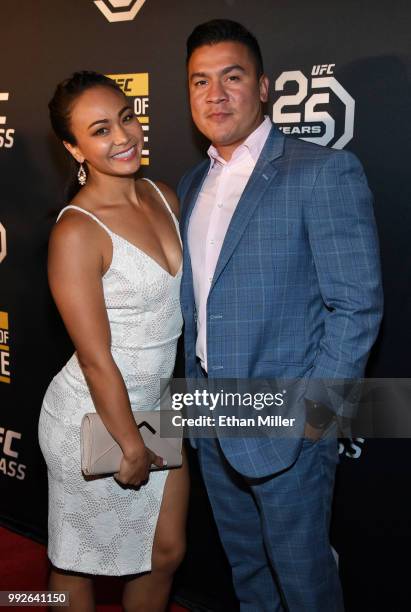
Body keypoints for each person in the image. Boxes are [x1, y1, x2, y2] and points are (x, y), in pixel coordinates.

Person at [178, 19, 383, 612]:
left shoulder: (321, 171)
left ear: (264, 87)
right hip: (210, 419)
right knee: (247, 573)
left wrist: (314, 417)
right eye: (199, 82)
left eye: (232, 77)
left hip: (288, 423)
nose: (215, 94)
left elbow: (357, 306)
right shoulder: (193, 183)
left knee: (304, 581)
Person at [38, 71, 188, 612]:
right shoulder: (76, 231)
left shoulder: (163, 195)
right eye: (100, 129)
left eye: (126, 116)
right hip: (93, 416)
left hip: (158, 405)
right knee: (78, 562)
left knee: (165, 552)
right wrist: (129, 443)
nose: (123, 136)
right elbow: (97, 359)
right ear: (73, 147)